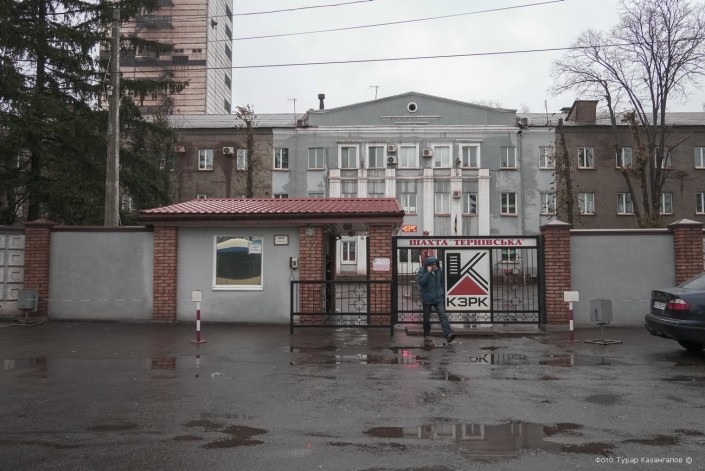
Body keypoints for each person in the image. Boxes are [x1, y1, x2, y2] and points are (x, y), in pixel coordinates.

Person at [416, 256, 456, 344]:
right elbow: (421, 282)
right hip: (427, 299)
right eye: (432, 264)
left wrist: (442, 291)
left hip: (438, 298)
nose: (434, 266)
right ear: (428, 265)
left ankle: (448, 334)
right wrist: (428, 273)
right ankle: (427, 334)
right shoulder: (422, 271)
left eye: (435, 264)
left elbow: (442, 282)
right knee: (427, 318)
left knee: (442, 315)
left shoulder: (439, 271)